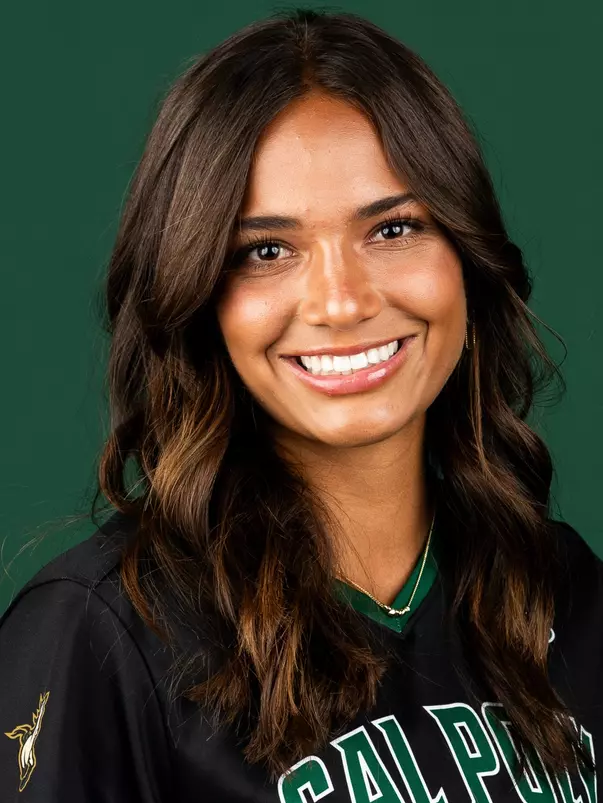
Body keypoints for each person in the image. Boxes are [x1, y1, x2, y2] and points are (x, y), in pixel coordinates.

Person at [0, 8, 600, 802]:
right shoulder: (99, 634)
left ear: (467, 258)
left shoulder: (559, 587)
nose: (341, 301)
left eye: (392, 228)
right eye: (266, 251)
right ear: (196, 293)